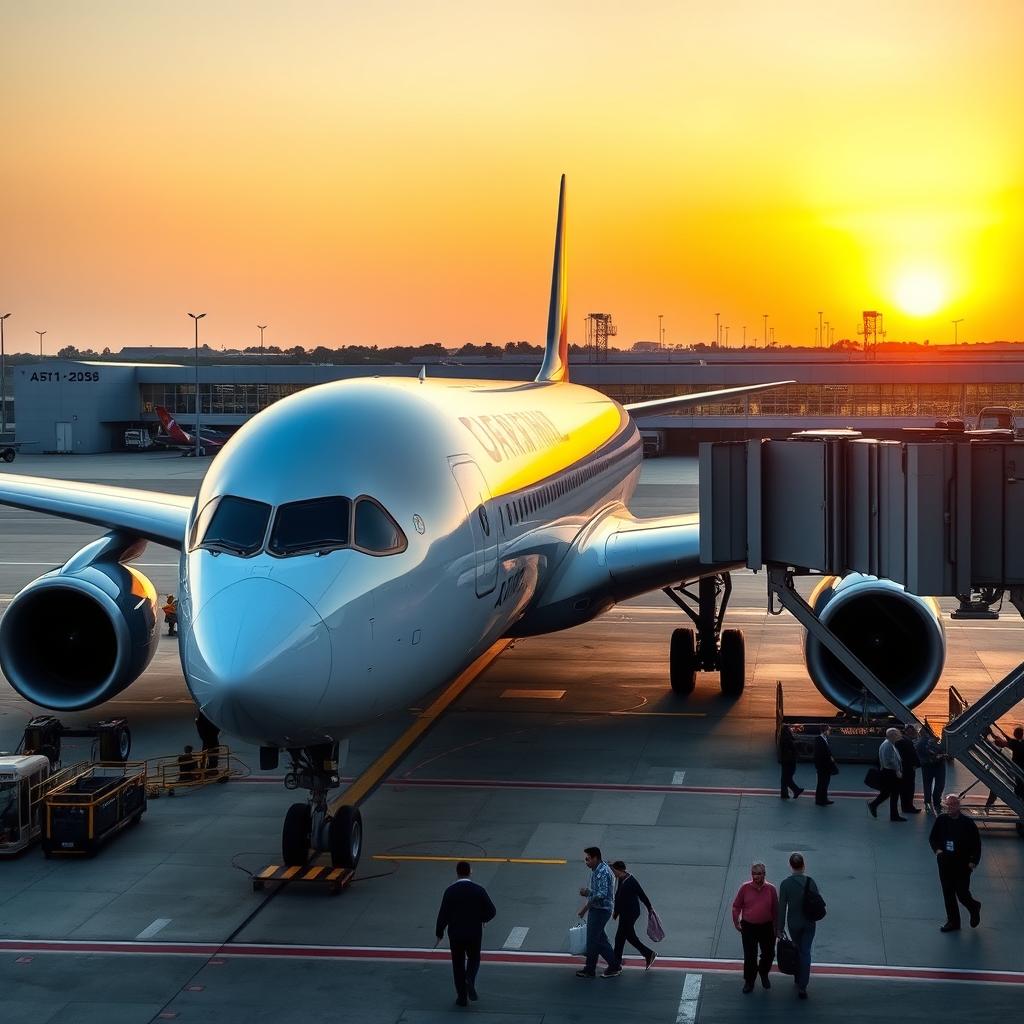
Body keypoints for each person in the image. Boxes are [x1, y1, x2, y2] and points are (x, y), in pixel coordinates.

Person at [435, 860, 496, 1006]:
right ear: (470, 872)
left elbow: (443, 914)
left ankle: (462, 997)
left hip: (455, 934)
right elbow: (492, 911)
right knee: (474, 958)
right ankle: (470, 978)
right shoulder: (478, 890)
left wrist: (439, 933)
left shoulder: (450, 891)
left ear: (457, 872)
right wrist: (482, 919)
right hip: (474, 932)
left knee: (457, 964)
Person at [928, 794, 981, 932]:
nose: (950, 808)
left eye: (953, 805)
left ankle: (973, 907)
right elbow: (933, 838)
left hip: (962, 864)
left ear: (958, 806)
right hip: (945, 862)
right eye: (948, 805)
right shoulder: (941, 820)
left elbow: (976, 844)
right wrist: (938, 851)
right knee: (948, 892)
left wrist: (973, 861)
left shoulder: (968, 823)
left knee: (962, 893)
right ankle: (953, 922)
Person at [777, 852, 820, 1000]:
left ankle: (797, 975)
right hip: (809, 923)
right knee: (805, 952)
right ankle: (803, 985)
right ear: (803, 865)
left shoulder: (785, 884)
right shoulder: (811, 882)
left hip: (794, 923)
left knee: (796, 948)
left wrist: (779, 928)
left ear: (790, 865)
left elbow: (782, 908)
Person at [731, 861, 778, 994]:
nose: (756, 877)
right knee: (750, 955)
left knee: (769, 954)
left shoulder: (771, 889)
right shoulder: (745, 888)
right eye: (753, 874)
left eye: (758, 874)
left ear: (764, 874)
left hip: (767, 927)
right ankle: (749, 981)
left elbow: (776, 909)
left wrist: (777, 927)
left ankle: (763, 973)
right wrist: (737, 922)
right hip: (749, 927)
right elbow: (736, 906)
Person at [576, 846, 618, 978]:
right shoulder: (597, 869)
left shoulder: (602, 873)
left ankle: (591, 969)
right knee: (600, 939)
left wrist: (587, 893)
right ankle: (614, 964)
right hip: (597, 909)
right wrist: (585, 908)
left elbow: (602, 894)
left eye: (588, 859)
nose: (586, 862)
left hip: (601, 910)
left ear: (595, 858)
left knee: (593, 940)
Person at [609, 860, 657, 970]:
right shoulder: (621, 878)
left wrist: (650, 908)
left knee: (620, 937)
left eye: (614, 870)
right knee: (628, 936)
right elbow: (618, 896)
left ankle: (616, 962)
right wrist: (616, 912)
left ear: (619, 870)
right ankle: (648, 954)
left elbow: (642, 894)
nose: (613, 873)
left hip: (630, 914)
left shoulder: (631, 881)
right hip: (625, 912)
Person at [867, 727, 905, 821]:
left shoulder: (889, 744)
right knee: (894, 794)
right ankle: (894, 815)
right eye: (897, 734)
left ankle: (874, 805)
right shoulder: (888, 745)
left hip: (888, 772)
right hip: (890, 773)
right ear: (892, 735)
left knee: (886, 793)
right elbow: (890, 760)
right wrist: (897, 771)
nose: (899, 735)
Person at [915, 724, 948, 815]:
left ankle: (933, 802)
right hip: (929, 766)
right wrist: (936, 758)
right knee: (931, 785)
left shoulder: (935, 741)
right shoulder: (921, 743)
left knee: (935, 785)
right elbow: (921, 757)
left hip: (937, 765)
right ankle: (930, 802)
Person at [895, 724, 922, 813]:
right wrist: (917, 764)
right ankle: (908, 807)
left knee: (904, 789)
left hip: (902, 768)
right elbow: (913, 755)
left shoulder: (900, 740)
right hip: (908, 768)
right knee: (909, 788)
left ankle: (905, 806)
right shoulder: (907, 742)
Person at [993, 725, 1024, 799]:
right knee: (1020, 781)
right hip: (1021, 765)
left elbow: (1005, 743)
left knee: (1019, 782)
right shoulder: (1020, 743)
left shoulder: (1014, 743)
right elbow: (1010, 741)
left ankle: (1020, 795)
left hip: (1018, 766)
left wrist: (993, 735)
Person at [812, 725, 837, 805]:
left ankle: (823, 798)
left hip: (826, 766)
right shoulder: (819, 740)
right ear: (825, 731)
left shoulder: (825, 739)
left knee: (825, 783)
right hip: (822, 766)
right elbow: (818, 755)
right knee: (822, 783)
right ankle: (820, 800)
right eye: (828, 730)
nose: (829, 732)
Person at [779, 725, 804, 800]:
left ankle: (785, 793)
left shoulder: (783, 738)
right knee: (787, 778)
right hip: (789, 762)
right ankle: (796, 790)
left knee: (784, 778)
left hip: (785, 761)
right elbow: (792, 749)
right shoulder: (788, 740)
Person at [195, 711, 221, 776]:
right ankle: (211, 769)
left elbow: (199, 724)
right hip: (211, 738)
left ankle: (204, 768)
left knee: (205, 753)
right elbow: (217, 728)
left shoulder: (203, 715)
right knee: (213, 753)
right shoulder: (212, 716)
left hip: (206, 738)